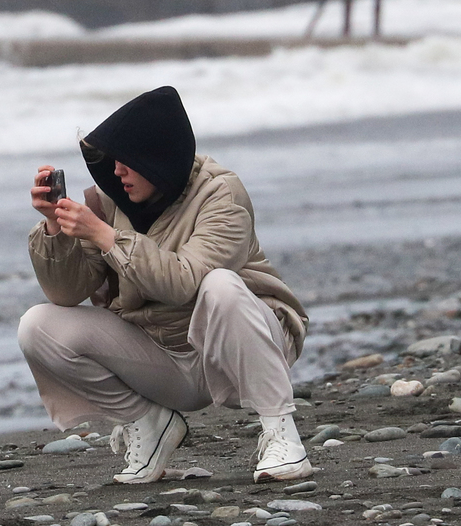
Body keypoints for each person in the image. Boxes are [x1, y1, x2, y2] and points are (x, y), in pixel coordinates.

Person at [18, 86, 311, 484]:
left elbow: (187, 282)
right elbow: (65, 294)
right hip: (163, 360)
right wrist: (55, 228)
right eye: (113, 161)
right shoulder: (108, 203)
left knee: (220, 285)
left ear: (158, 157)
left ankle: (282, 434)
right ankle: (149, 425)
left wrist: (107, 237)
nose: (117, 171)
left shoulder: (221, 195)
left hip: (234, 348)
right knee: (37, 325)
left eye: (128, 161)